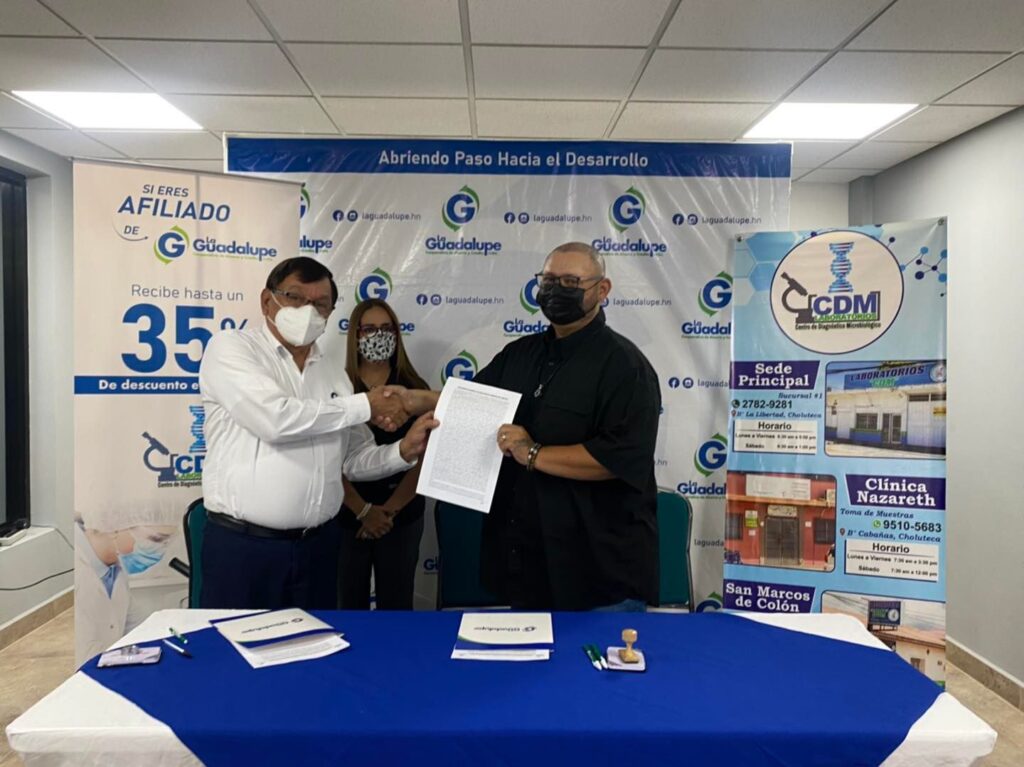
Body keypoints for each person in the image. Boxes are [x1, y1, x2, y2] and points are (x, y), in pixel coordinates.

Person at [400, 242, 661, 611]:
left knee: (596, 652)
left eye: (571, 281)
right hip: (527, 566)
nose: (556, 290)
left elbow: (619, 458)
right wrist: (415, 400)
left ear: (602, 290)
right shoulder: (520, 353)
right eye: (549, 280)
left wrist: (533, 453)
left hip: (598, 574)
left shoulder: (626, 367)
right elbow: (474, 402)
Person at [198, 257, 437, 611]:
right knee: (236, 644)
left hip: (318, 548)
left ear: (329, 313)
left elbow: (352, 459)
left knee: (315, 643)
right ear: (267, 301)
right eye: (295, 297)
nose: (307, 311)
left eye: (320, 303)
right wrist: (366, 405)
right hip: (245, 548)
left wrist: (402, 450)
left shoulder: (333, 375)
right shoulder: (232, 348)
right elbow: (275, 420)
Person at [337, 299, 430, 610]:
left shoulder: (414, 389)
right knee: (347, 605)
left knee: (397, 605)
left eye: (386, 328)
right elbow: (329, 460)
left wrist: (387, 512)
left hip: (401, 514)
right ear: (356, 334)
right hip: (347, 513)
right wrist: (363, 511)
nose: (379, 335)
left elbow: (424, 459)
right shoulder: (340, 388)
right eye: (370, 329)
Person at [74, 508, 178, 663]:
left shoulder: (114, 570)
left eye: (166, 542)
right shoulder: (74, 573)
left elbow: (138, 628)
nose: (159, 549)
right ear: (114, 529)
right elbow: (85, 658)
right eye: (155, 539)